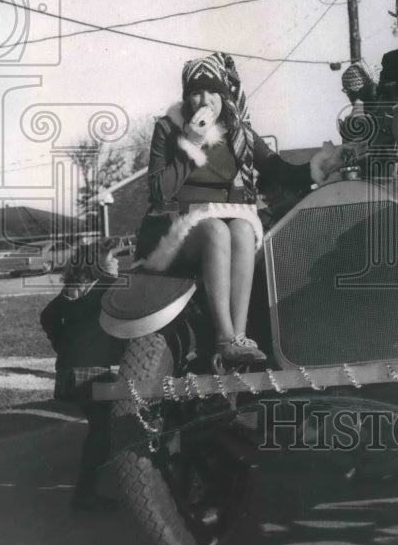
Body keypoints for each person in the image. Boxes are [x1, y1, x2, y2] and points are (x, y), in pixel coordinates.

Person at [134, 51, 343, 364]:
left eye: (211, 91)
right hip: (175, 227)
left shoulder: (239, 133)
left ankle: (239, 338)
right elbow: (158, 191)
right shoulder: (169, 128)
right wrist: (191, 144)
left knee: (244, 229)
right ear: (186, 97)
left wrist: (320, 166)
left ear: (223, 94)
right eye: (195, 92)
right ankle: (223, 338)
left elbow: (279, 170)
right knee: (218, 230)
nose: (203, 99)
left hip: (224, 223)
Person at [40, 238, 125, 511]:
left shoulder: (73, 290)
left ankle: (90, 490)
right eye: (114, 258)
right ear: (100, 265)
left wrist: (60, 343)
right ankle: (85, 495)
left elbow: (46, 316)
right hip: (91, 371)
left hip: (68, 370)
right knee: (102, 431)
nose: (119, 263)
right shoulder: (109, 288)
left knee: (101, 427)